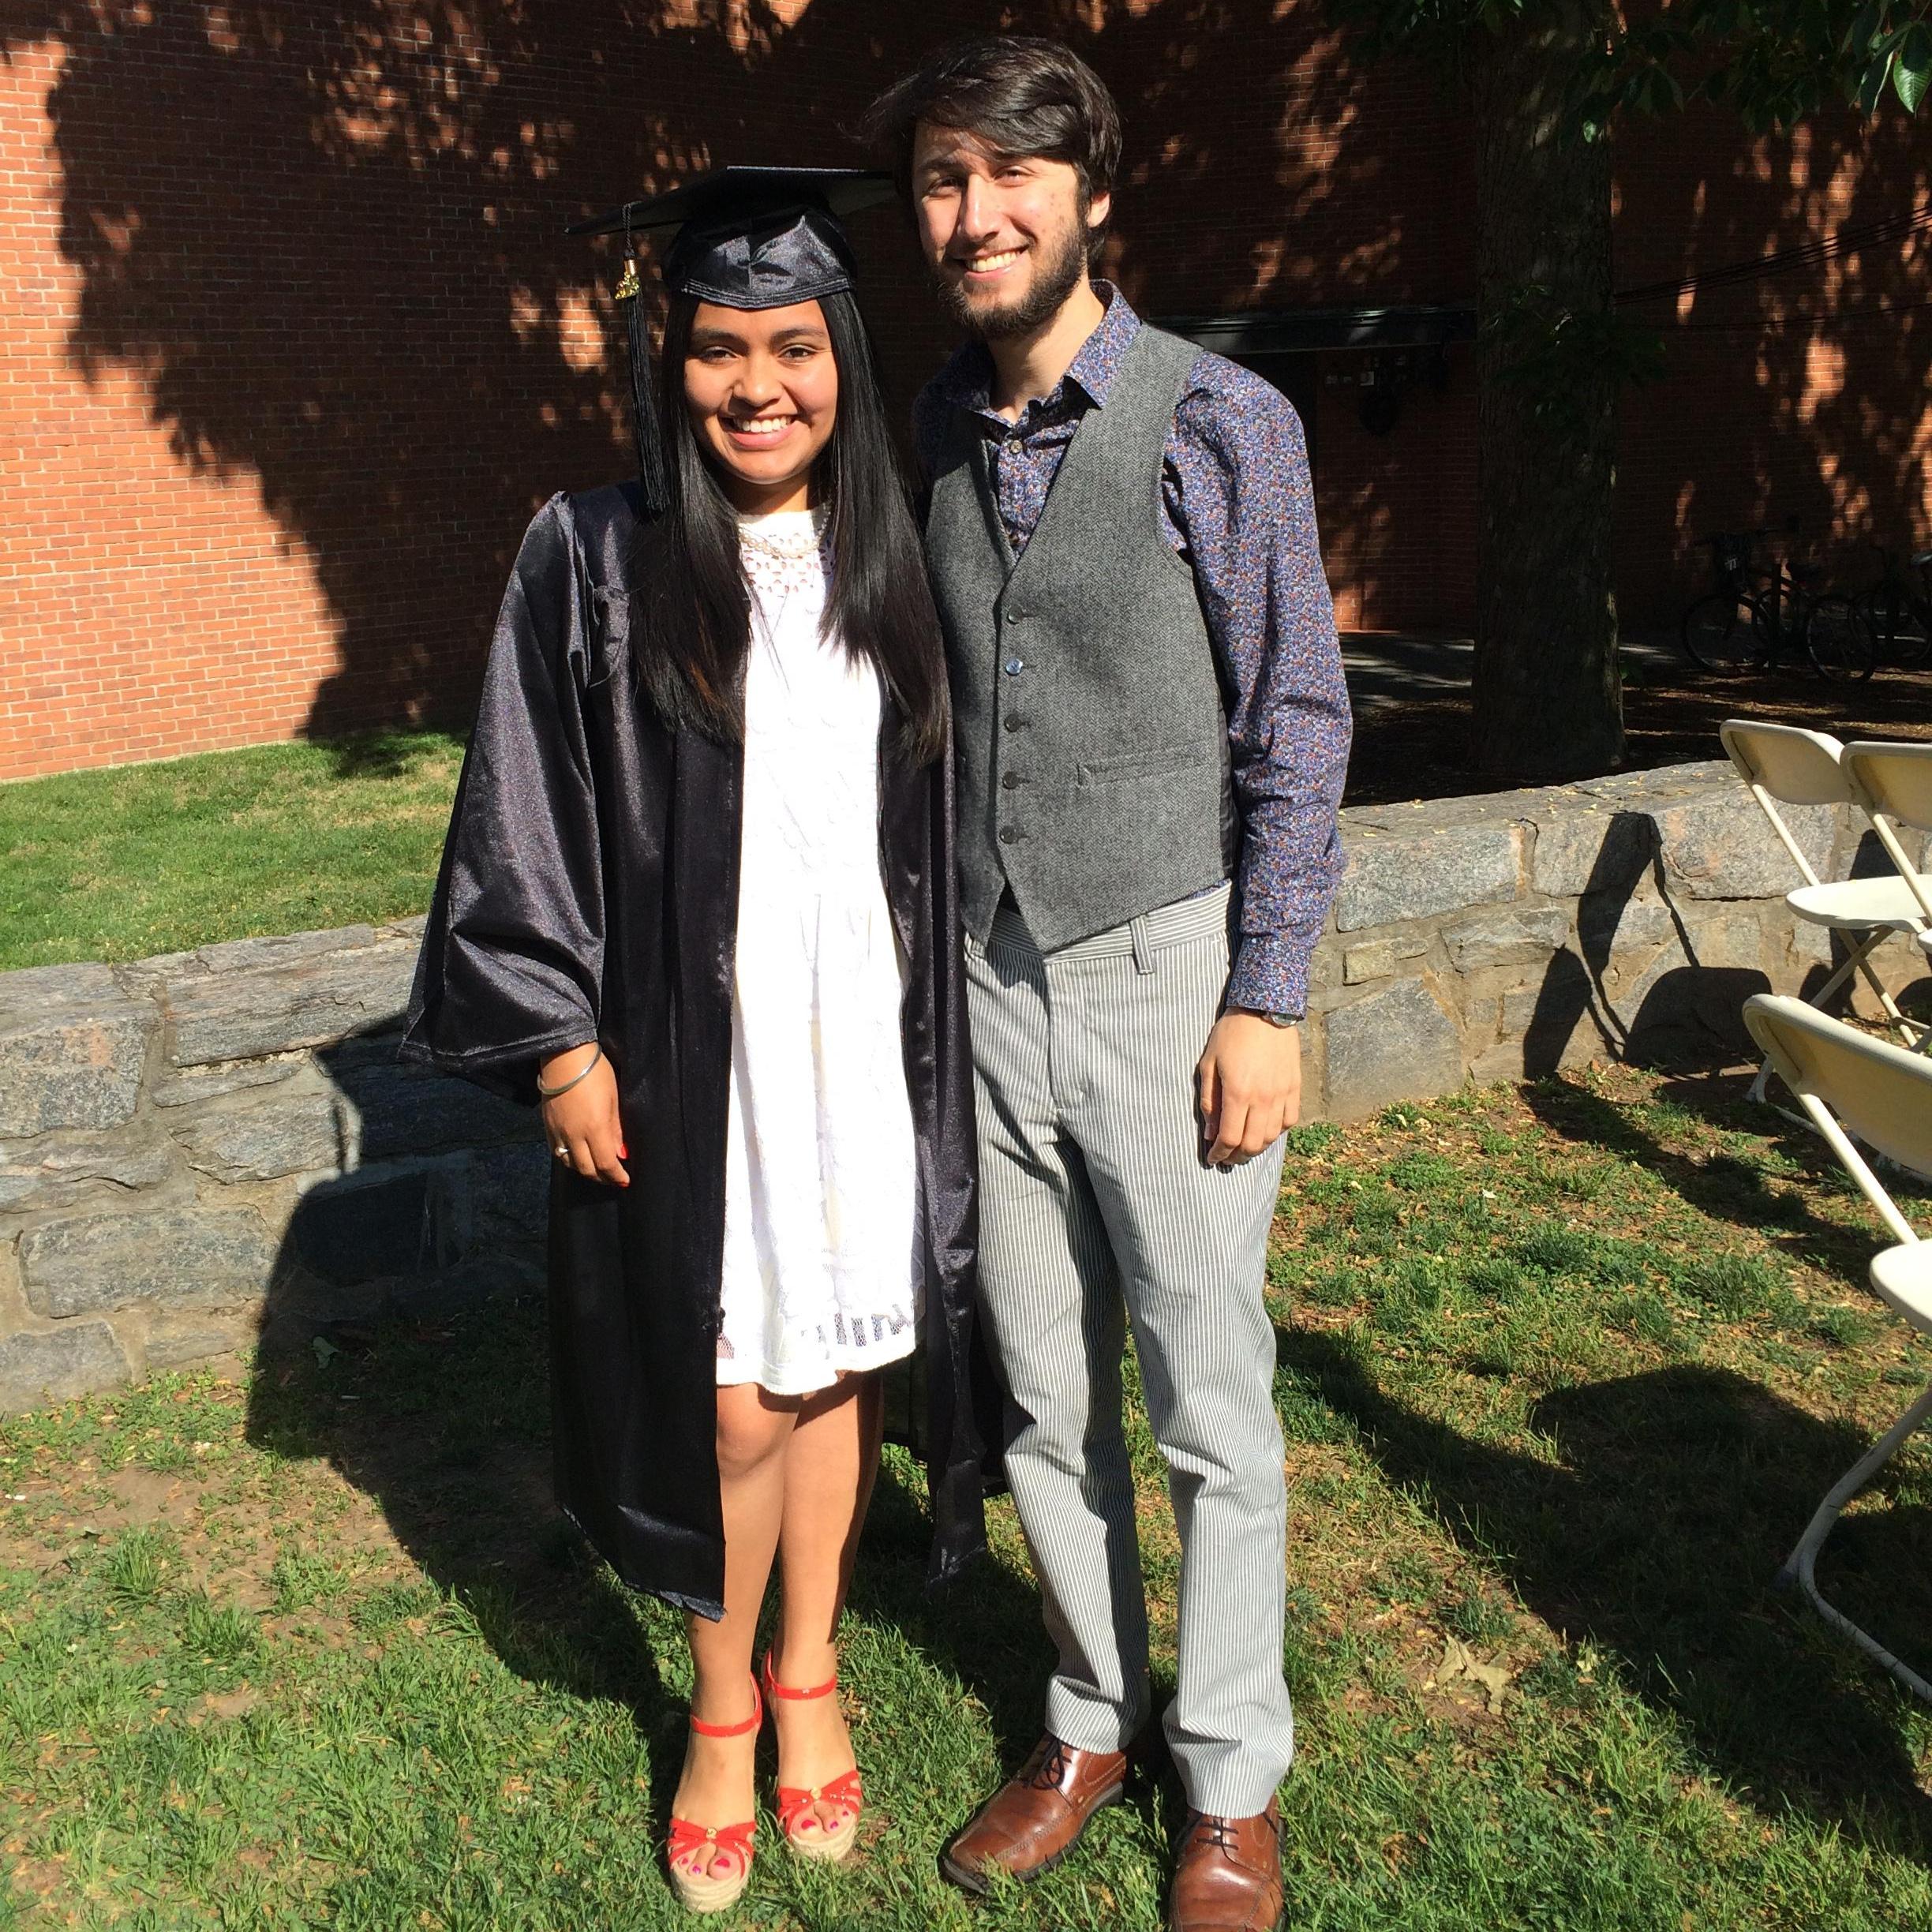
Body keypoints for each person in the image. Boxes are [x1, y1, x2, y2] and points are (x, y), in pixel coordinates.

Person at [400, 166, 998, 1917]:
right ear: (673, 359)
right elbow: (522, 802)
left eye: (794, 347)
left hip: (860, 1038)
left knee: (839, 1373)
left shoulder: (900, 550)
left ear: (844, 355)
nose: (760, 386)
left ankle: (811, 1673)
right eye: (722, 349)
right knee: (729, 1398)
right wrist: (557, 1044)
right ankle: (723, 1707)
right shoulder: (594, 552)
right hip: (685, 1047)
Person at [864, 39, 1351, 1932]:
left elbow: (1297, 720)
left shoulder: (1222, 421)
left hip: (1170, 968)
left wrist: (1267, 996)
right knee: (1047, 1391)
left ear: (1091, 195)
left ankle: (1228, 1777)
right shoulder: (927, 424)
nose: (974, 214)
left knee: (1208, 1399)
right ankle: (1087, 1720)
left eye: (1011, 175)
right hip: (992, 972)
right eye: (941, 181)